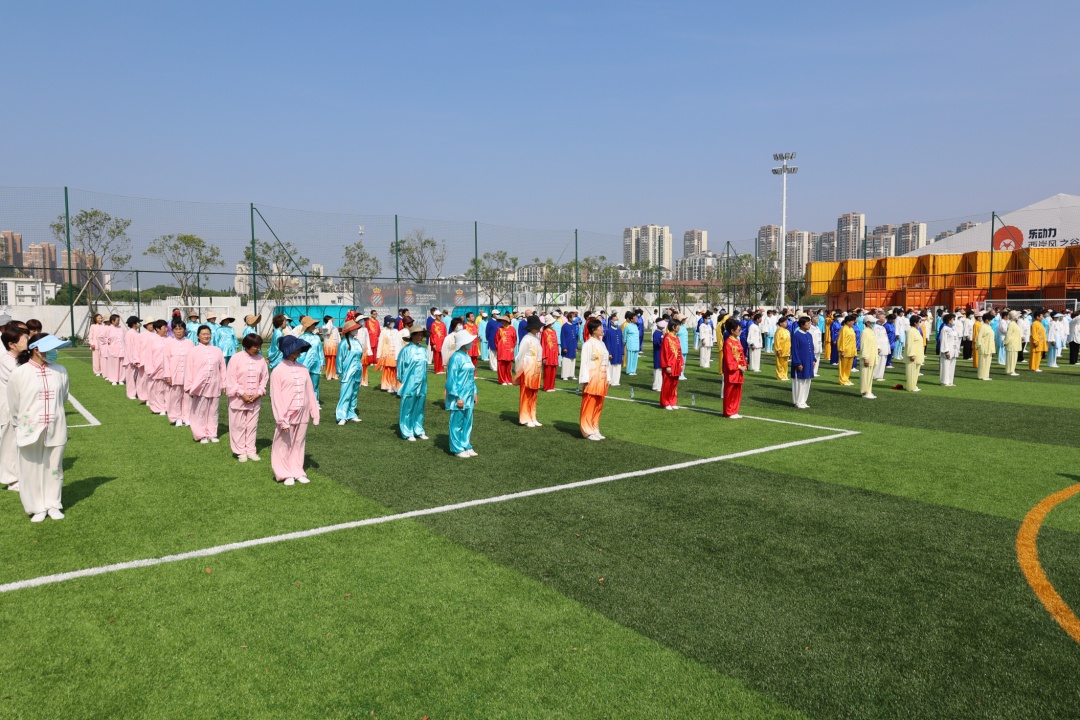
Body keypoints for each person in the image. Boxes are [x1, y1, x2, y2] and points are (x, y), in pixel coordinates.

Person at [9, 334, 70, 522]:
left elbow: (63, 397)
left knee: (54, 467)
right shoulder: (20, 373)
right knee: (30, 469)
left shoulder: (60, 371)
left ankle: (53, 504)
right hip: (29, 428)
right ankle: (36, 507)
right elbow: (14, 404)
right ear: (36, 349)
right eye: (51, 349)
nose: (54, 352)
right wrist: (24, 422)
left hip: (56, 426)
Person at [269, 335, 320, 485]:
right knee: (283, 444)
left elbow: (310, 392)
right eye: (295, 348)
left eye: (299, 348)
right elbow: (276, 398)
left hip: (303, 413)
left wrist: (314, 412)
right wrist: (282, 420)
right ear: (287, 350)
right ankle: (284, 473)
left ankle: (297, 470)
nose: (298, 350)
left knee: (299, 443)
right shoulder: (278, 370)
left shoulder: (303, 369)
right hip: (286, 414)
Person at [226, 333, 269, 462]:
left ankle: (250, 450)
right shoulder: (236, 358)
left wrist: (259, 393)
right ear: (247, 345)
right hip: (238, 398)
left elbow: (264, 378)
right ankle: (240, 451)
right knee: (238, 425)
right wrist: (242, 394)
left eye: (259, 346)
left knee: (252, 425)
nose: (258, 349)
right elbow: (231, 378)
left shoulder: (261, 359)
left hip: (255, 398)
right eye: (255, 346)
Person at [184, 325, 227, 444]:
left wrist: (224, 383)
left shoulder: (217, 350)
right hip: (199, 386)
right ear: (198, 336)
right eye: (203, 334)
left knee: (213, 411)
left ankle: (212, 433)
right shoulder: (193, 351)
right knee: (200, 411)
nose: (206, 336)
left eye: (208, 334)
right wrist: (189, 386)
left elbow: (222, 367)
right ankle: (201, 434)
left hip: (215, 384)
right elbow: (188, 369)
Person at [0, 326, 29, 491]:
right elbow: (20, 380)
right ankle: (10, 479)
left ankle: (18, 473)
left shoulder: (18, 358)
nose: (28, 341)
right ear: (12, 344)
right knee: (9, 442)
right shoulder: (6, 360)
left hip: (18, 405)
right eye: (24, 339)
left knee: (17, 441)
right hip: (8, 406)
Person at [445, 329, 479, 458]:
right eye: (470, 341)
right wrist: (457, 397)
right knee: (457, 422)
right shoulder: (456, 357)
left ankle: (466, 445)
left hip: (469, 395)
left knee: (467, 421)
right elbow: (451, 380)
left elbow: (471, 377)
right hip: (460, 396)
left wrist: (474, 392)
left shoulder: (467, 356)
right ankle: (457, 448)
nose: (472, 343)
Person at [394, 324, 429, 440]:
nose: (420, 337)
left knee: (419, 407)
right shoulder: (406, 350)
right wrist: (404, 381)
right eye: (418, 335)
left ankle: (418, 429)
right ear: (412, 336)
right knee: (408, 407)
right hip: (410, 383)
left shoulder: (424, 350)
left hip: (422, 383)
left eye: (422, 335)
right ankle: (407, 431)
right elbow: (400, 368)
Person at [578, 317, 610, 440]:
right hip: (592, 378)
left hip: (602, 378)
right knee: (589, 403)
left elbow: (606, 362)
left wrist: (608, 377)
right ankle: (587, 430)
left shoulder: (602, 343)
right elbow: (584, 363)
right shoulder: (588, 344)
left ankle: (595, 427)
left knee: (598, 404)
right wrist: (584, 379)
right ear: (593, 330)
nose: (602, 329)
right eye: (600, 327)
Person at [334, 319, 366, 426]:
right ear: (349, 331)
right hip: (347, 371)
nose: (357, 330)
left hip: (357, 370)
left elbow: (360, 355)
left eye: (357, 328)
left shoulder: (357, 342)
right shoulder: (343, 343)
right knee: (345, 393)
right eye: (354, 329)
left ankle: (351, 413)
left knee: (354, 393)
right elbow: (339, 358)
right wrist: (340, 372)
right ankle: (342, 416)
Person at [514, 314, 544, 427]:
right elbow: (520, 356)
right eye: (538, 326)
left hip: (536, 370)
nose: (539, 328)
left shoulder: (536, 338)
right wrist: (519, 370)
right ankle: (525, 418)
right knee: (526, 393)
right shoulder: (526, 339)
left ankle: (532, 416)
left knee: (534, 394)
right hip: (527, 370)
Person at [164, 321, 192, 427]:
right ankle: (177, 417)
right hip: (174, 374)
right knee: (175, 397)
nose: (179, 331)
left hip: (187, 374)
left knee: (187, 397)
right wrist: (168, 375)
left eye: (181, 329)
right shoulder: (169, 343)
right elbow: (166, 360)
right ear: (173, 330)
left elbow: (193, 360)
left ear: (184, 330)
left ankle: (187, 417)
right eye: (176, 329)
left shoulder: (190, 343)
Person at [721, 318, 747, 418]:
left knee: (737, 391)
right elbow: (729, 359)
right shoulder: (728, 342)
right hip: (732, 371)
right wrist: (739, 367)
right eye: (738, 330)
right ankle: (728, 412)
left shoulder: (737, 341)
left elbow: (741, 354)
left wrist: (744, 365)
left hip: (739, 371)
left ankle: (735, 410)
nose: (740, 331)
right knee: (730, 392)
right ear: (732, 331)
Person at [144, 320, 170, 416]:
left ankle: (167, 406)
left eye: (167, 327)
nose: (166, 329)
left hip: (167, 369)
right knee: (157, 389)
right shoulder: (152, 339)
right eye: (164, 328)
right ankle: (159, 407)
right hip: (156, 368)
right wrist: (150, 368)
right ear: (157, 329)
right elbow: (148, 355)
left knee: (167, 389)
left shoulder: (169, 339)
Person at [659, 318, 684, 410]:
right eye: (678, 326)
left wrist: (681, 363)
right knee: (667, 384)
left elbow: (679, 351)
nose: (679, 328)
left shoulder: (676, 338)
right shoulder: (667, 338)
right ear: (673, 327)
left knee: (674, 384)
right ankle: (665, 402)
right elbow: (665, 353)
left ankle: (672, 401)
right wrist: (667, 365)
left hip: (676, 364)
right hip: (669, 365)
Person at [790, 316, 815, 409]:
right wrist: (797, 363)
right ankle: (798, 401)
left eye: (809, 323)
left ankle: (803, 400)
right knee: (799, 381)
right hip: (801, 362)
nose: (809, 325)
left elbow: (811, 348)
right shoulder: (796, 335)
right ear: (802, 324)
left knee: (807, 380)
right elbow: (795, 350)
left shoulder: (809, 335)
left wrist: (813, 359)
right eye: (807, 323)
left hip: (809, 361)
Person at [377, 316, 402, 393]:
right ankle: (388, 385)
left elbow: (399, 342)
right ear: (387, 323)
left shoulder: (396, 331)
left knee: (395, 369)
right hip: (386, 354)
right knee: (388, 369)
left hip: (395, 353)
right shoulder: (383, 331)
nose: (393, 323)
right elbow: (380, 343)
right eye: (391, 322)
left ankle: (394, 385)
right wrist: (378, 355)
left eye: (393, 322)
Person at [123, 316, 143, 401]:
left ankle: (135, 392)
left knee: (135, 377)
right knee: (131, 377)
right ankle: (131, 393)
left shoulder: (134, 333)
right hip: (131, 360)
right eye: (138, 322)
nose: (139, 324)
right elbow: (130, 348)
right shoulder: (131, 334)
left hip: (133, 358)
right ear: (134, 324)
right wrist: (133, 360)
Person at [859, 315, 879, 399]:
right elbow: (864, 346)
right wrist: (865, 357)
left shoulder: (871, 331)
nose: (874, 323)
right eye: (872, 322)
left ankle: (869, 391)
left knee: (870, 376)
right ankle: (865, 392)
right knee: (865, 375)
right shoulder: (865, 332)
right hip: (867, 357)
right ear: (867, 322)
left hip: (872, 356)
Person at [905, 314, 925, 392]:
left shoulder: (916, 330)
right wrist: (911, 355)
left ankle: (914, 385)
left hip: (918, 354)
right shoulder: (910, 331)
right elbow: (909, 344)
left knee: (916, 372)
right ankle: (910, 387)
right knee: (911, 372)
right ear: (915, 323)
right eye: (919, 322)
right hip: (913, 355)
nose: (920, 323)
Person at [938, 313, 960, 386]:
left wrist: (958, 350)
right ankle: (944, 381)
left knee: (952, 366)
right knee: (946, 366)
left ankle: (950, 381)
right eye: (953, 319)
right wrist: (946, 351)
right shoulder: (944, 329)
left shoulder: (953, 329)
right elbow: (944, 340)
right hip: (948, 350)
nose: (954, 321)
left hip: (954, 350)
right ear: (949, 320)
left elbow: (956, 340)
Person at [604, 312, 624, 387]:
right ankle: (611, 380)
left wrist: (622, 352)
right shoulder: (608, 331)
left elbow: (621, 342)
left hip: (619, 351)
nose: (616, 321)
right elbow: (607, 342)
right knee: (611, 366)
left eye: (617, 320)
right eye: (615, 320)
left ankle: (616, 380)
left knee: (618, 366)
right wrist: (609, 353)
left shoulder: (619, 330)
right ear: (611, 321)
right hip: (612, 351)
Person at [495, 315, 516, 385]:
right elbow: (496, 340)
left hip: (509, 350)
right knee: (501, 365)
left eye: (504, 321)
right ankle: (502, 380)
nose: (502, 322)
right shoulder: (499, 329)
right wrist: (499, 348)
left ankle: (509, 380)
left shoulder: (512, 329)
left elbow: (514, 339)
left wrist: (512, 347)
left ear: (507, 321)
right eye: (502, 321)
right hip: (502, 350)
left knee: (509, 365)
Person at [540, 315, 560, 391]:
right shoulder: (544, 332)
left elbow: (556, 343)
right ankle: (547, 386)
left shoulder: (554, 332)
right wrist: (544, 357)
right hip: (548, 353)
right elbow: (543, 344)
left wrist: (557, 352)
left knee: (553, 370)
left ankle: (552, 386)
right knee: (547, 371)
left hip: (554, 353)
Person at [362, 310, 382, 386]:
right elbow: (367, 329)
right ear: (371, 314)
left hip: (375, 337)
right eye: (374, 314)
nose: (375, 315)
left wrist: (378, 335)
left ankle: (375, 361)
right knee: (370, 347)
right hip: (370, 336)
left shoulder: (377, 321)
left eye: (376, 314)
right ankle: (370, 361)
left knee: (375, 348)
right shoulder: (368, 321)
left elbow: (378, 329)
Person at [837, 315, 857, 386]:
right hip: (845, 351)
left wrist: (854, 350)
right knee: (843, 366)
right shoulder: (843, 329)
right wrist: (842, 350)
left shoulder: (851, 329)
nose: (853, 322)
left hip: (851, 350)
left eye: (853, 321)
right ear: (847, 321)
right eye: (852, 321)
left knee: (848, 366)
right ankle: (842, 380)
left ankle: (846, 379)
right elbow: (841, 340)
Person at [976, 312, 996, 380]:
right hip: (984, 347)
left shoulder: (989, 327)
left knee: (988, 362)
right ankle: (982, 376)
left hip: (989, 347)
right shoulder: (983, 327)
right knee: (983, 362)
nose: (991, 320)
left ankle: (986, 375)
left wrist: (993, 350)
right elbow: (979, 337)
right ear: (987, 319)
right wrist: (978, 345)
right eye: (990, 319)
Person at [560, 311, 579, 380]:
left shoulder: (573, 326)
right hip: (567, 346)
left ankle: (571, 374)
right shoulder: (564, 326)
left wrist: (576, 346)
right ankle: (565, 375)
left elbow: (575, 337)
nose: (574, 318)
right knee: (566, 361)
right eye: (573, 316)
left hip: (573, 345)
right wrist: (564, 347)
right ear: (569, 318)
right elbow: (562, 337)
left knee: (572, 360)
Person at [322, 315, 340, 380]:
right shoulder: (324, 327)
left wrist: (339, 344)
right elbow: (328, 331)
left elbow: (338, 337)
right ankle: (329, 375)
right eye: (331, 319)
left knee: (335, 361)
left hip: (334, 346)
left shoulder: (335, 328)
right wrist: (329, 322)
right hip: (328, 346)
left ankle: (334, 374)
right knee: (329, 360)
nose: (333, 319)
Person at [429, 310, 447, 374]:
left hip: (442, 342)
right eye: (439, 315)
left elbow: (445, 333)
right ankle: (437, 370)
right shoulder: (433, 325)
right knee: (436, 356)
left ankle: (441, 369)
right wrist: (433, 343)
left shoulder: (443, 324)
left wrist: (445, 342)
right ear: (436, 316)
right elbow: (432, 335)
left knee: (442, 355)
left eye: (440, 315)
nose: (440, 316)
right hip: (436, 342)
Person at [1004, 311, 1022, 375]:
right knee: (1011, 358)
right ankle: (1010, 371)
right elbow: (1008, 334)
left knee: (1013, 358)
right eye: (1017, 316)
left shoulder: (1014, 323)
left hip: (1015, 343)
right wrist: (1006, 342)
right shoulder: (1011, 324)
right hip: (1012, 344)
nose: (1018, 317)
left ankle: (1012, 370)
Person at [872, 315, 890, 381]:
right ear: (879, 318)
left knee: (882, 363)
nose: (885, 318)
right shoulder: (876, 327)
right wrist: (878, 347)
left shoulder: (882, 326)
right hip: (880, 347)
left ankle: (880, 375)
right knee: (878, 362)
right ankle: (876, 376)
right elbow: (875, 337)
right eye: (883, 317)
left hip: (885, 347)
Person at [624, 311, 642, 375]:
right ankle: (629, 371)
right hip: (630, 345)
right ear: (631, 319)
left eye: (636, 317)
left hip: (636, 344)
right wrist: (624, 343)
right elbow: (624, 336)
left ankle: (633, 370)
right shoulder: (628, 326)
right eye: (635, 318)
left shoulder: (636, 326)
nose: (636, 319)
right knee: (630, 358)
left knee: (635, 358)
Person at [773, 316, 791, 381]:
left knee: (785, 364)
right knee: (780, 364)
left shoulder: (787, 331)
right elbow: (777, 341)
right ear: (781, 323)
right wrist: (778, 349)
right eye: (785, 322)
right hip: (781, 350)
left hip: (786, 350)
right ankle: (780, 376)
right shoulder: (778, 331)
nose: (786, 323)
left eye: (786, 322)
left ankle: (785, 375)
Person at [651, 319, 667, 392]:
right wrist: (663, 339)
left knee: (661, 369)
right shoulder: (656, 333)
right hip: (658, 353)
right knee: (657, 369)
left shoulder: (662, 332)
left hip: (662, 353)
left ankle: (660, 385)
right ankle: (656, 385)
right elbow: (656, 343)